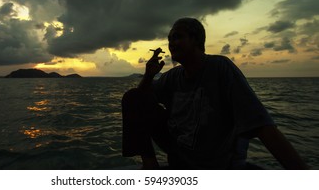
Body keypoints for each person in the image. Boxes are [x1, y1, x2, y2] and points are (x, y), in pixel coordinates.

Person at [121, 18, 308, 169]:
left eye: (177, 37)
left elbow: (261, 125)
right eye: (169, 39)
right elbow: (141, 101)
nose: (171, 44)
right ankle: (150, 168)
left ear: (196, 39)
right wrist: (148, 75)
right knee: (132, 97)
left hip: (216, 164)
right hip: (180, 155)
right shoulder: (173, 76)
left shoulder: (220, 68)